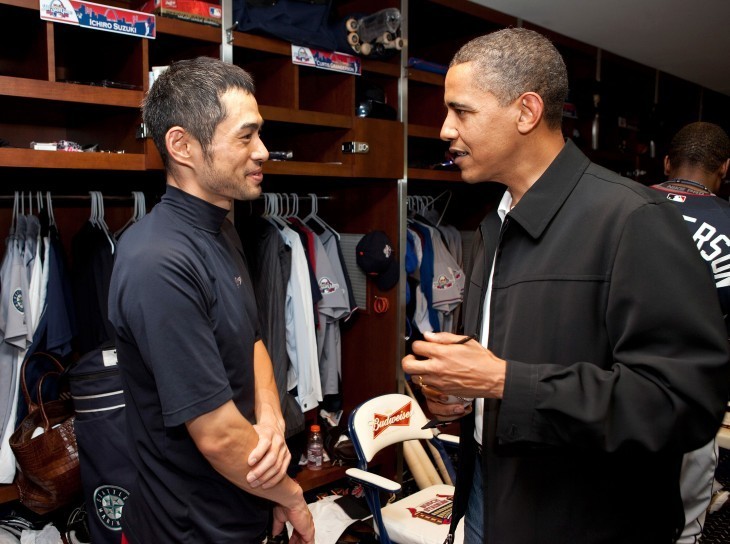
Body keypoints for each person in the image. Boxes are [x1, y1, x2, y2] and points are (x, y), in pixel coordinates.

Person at [401, 28, 730, 544]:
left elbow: (682, 404)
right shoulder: (497, 222)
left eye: (461, 111)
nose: (445, 129)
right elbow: (506, 363)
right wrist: (464, 394)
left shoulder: (634, 220)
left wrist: (502, 381)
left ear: (526, 112)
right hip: (493, 495)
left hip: (584, 518)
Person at [107, 57, 314, 543]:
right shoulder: (157, 262)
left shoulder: (223, 229)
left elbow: (253, 340)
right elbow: (217, 434)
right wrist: (291, 495)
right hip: (187, 529)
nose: (262, 151)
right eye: (245, 137)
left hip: (243, 508)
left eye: (259, 134)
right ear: (182, 145)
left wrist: (270, 418)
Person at [650, 121, 730, 543]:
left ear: (667, 162)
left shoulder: (619, 204)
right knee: (683, 526)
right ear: (725, 168)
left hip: (607, 384)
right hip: (691, 394)